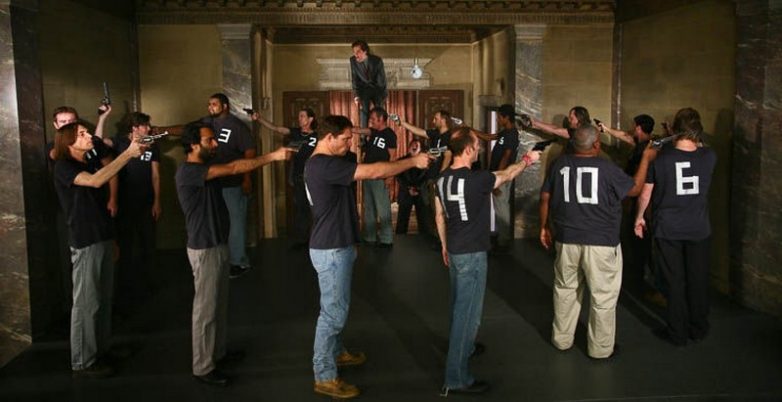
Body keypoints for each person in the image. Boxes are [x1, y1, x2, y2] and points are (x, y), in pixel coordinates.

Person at [304, 115, 431, 399]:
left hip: (336, 244)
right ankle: (324, 375)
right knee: (332, 315)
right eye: (345, 138)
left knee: (336, 307)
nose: (350, 143)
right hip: (331, 249)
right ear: (328, 138)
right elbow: (373, 172)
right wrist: (412, 161)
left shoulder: (326, 162)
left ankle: (337, 352)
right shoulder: (323, 164)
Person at [175, 122, 291, 386]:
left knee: (218, 306)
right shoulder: (188, 172)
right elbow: (234, 168)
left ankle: (217, 353)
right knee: (205, 310)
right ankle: (203, 367)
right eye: (209, 140)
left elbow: (234, 166)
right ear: (193, 145)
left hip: (217, 244)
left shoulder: (204, 167)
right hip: (204, 247)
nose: (215, 143)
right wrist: (273, 156)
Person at [435, 127, 540, 396]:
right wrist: (527, 160)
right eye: (477, 145)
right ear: (468, 150)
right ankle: (455, 379)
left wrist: (444, 245)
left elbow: (439, 215)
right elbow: (506, 175)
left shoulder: (442, 179)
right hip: (471, 254)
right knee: (467, 315)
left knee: (458, 306)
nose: (480, 149)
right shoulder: (477, 179)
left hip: (456, 250)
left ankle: (466, 348)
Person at [539, 125, 652, 360]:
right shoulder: (607, 168)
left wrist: (544, 226)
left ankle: (562, 339)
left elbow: (546, 196)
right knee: (603, 297)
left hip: (567, 240)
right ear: (596, 145)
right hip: (601, 242)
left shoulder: (559, 164)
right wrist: (646, 159)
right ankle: (600, 349)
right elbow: (634, 189)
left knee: (565, 290)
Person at [52, 121, 146, 378]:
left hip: (102, 236)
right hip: (86, 240)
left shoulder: (90, 160)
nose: (88, 136)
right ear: (68, 142)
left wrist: (111, 239)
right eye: (82, 134)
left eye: (86, 132)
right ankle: (83, 361)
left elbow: (100, 199)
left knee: (103, 300)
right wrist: (128, 154)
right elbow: (95, 182)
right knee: (87, 303)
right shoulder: (64, 167)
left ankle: (100, 350)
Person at [634, 107, 716, 347]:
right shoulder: (709, 156)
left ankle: (677, 332)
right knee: (698, 279)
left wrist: (639, 217)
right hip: (698, 228)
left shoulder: (661, 159)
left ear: (675, 129)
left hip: (668, 228)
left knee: (674, 281)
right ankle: (698, 328)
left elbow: (645, 194)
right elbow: (699, 147)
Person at [598, 114, 667, 306]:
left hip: (642, 202)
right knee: (637, 243)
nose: (630, 129)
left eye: (633, 126)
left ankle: (649, 285)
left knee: (644, 245)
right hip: (636, 201)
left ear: (638, 128)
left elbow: (644, 182)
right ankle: (640, 280)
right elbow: (624, 136)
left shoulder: (650, 148)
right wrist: (607, 129)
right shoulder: (643, 144)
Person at [201, 93, 256, 278]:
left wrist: (247, 178)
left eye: (214, 104)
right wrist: (163, 130)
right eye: (209, 104)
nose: (210, 107)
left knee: (236, 222)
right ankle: (222, 260)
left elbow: (249, 152)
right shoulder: (207, 123)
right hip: (213, 182)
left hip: (233, 182)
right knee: (218, 222)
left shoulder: (237, 126)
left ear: (224, 106)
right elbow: (186, 129)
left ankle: (239, 262)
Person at [113, 112, 161, 315]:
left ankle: (149, 284)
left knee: (148, 244)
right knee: (125, 247)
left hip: (146, 203)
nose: (148, 128)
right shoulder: (119, 144)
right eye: (144, 126)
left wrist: (157, 201)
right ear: (134, 127)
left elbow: (156, 175)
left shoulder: (152, 145)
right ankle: (125, 288)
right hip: (125, 204)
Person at [253, 108, 318, 247]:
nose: (299, 118)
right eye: (299, 116)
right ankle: (302, 239)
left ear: (310, 119)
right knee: (300, 207)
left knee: (315, 206)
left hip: (314, 176)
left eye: (302, 116)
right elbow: (276, 128)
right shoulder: (295, 133)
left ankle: (317, 237)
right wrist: (259, 119)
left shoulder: (317, 136)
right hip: (299, 176)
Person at [354, 107, 397, 247]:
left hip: (381, 175)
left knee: (383, 208)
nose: (371, 121)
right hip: (368, 174)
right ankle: (369, 236)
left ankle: (386, 238)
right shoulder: (373, 132)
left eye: (373, 119)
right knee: (369, 208)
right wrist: (349, 129)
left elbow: (392, 156)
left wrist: (390, 176)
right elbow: (361, 130)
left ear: (381, 119)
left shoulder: (390, 134)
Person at [489, 104, 521, 252]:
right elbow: (489, 137)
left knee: (502, 207)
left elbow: (506, 156)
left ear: (506, 117)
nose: (497, 119)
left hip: (502, 176)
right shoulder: (505, 132)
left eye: (499, 117)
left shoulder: (512, 134)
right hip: (499, 175)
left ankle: (504, 241)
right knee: (499, 206)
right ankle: (502, 237)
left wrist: (498, 179)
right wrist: (470, 130)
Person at [350, 39, 387, 128]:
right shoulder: (353, 60)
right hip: (363, 89)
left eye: (358, 52)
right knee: (364, 111)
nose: (355, 55)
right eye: (354, 52)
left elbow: (382, 79)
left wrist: (383, 95)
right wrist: (356, 95)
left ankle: (380, 130)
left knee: (379, 111)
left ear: (365, 51)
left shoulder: (377, 60)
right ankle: (364, 134)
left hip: (377, 88)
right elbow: (354, 78)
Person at [395, 139, 429, 235]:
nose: (414, 147)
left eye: (417, 146)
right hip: (406, 192)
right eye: (413, 145)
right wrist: (408, 188)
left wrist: (417, 188)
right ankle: (400, 238)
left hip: (420, 192)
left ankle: (425, 238)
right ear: (409, 148)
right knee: (402, 219)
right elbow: (399, 177)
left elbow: (426, 177)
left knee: (423, 219)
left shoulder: (426, 161)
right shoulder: (402, 161)